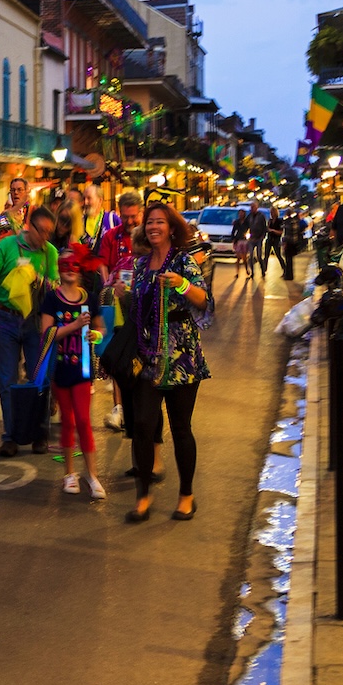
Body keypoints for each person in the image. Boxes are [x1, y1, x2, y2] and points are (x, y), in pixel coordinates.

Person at [123, 201, 213, 524]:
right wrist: (122, 294)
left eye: (159, 222)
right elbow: (135, 308)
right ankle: (143, 496)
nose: (153, 227)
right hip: (148, 355)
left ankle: (186, 495)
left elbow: (205, 301)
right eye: (149, 222)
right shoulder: (140, 265)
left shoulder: (183, 261)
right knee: (143, 425)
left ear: (172, 228)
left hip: (181, 356)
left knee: (181, 428)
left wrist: (182, 284)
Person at [0, 206, 59, 456]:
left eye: (49, 232)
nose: (45, 237)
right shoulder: (6, 246)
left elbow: (56, 287)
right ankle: (10, 436)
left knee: (40, 378)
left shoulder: (50, 252)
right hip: (6, 318)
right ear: (29, 226)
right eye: (42, 231)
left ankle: (39, 433)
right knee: (7, 380)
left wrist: (39, 279)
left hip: (36, 321)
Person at [41, 246, 105, 498]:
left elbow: (101, 330)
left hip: (83, 369)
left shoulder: (90, 298)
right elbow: (46, 333)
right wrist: (75, 325)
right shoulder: (51, 299)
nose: (69, 269)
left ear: (81, 269)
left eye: (74, 264)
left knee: (83, 420)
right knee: (67, 421)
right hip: (59, 369)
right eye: (64, 265)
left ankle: (93, 475)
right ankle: (69, 473)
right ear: (58, 269)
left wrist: (95, 335)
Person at [95, 191, 143, 432]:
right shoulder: (111, 236)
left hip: (143, 305)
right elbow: (103, 264)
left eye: (134, 216)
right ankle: (119, 408)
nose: (130, 221)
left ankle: (138, 406)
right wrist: (108, 284)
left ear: (141, 212)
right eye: (125, 216)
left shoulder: (147, 235)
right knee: (117, 354)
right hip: (118, 305)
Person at [248, 203, 272, 276]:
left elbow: (264, 227)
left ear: (256, 208)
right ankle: (252, 272)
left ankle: (262, 270)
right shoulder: (249, 216)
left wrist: (262, 236)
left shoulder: (261, 216)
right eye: (251, 207)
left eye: (253, 207)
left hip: (259, 238)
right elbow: (246, 224)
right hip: (252, 238)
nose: (252, 209)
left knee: (259, 256)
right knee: (251, 256)